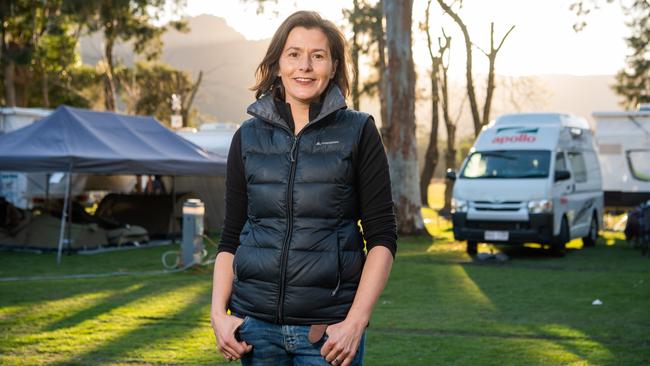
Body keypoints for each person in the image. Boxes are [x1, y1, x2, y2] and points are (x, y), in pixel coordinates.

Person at [210, 10, 397, 366]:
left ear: (334, 66)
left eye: (318, 55)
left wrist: (355, 323)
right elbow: (230, 237)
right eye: (294, 54)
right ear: (278, 63)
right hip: (255, 331)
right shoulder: (246, 137)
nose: (305, 66)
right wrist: (219, 313)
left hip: (327, 334)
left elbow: (383, 238)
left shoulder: (359, 132)